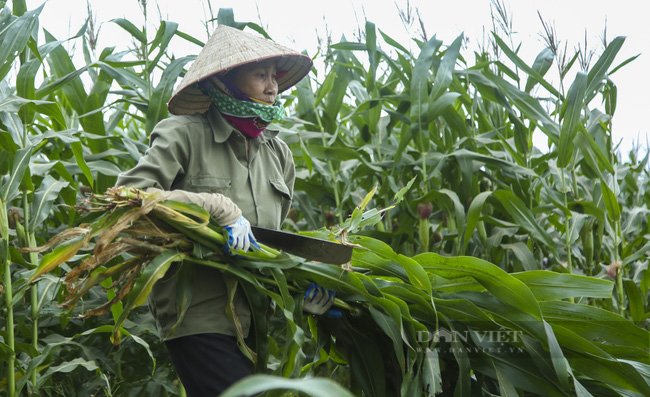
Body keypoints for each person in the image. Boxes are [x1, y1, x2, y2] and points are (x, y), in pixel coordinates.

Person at [116, 25, 335, 396]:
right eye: (259, 75)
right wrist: (215, 206)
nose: (272, 87)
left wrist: (303, 289)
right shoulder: (183, 134)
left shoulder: (277, 154)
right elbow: (130, 196)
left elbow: (267, 244)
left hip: (254, 320)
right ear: (224, 82)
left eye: (274, 76)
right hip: (197, 313)